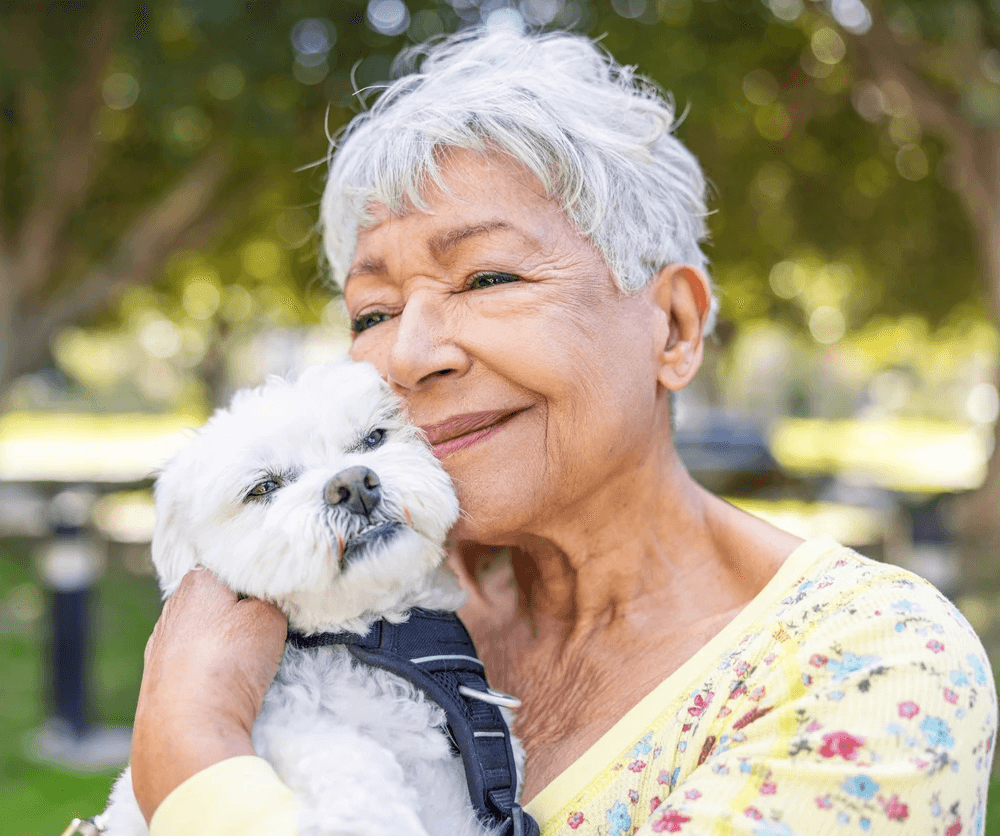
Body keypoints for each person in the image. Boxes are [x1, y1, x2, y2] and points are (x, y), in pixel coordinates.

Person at [131, 28, 997, 836]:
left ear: (674, 328)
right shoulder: (359, 602)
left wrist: (190, 752)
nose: (412, 351)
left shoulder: (866, 670)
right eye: (375, 310)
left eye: (487, 276)